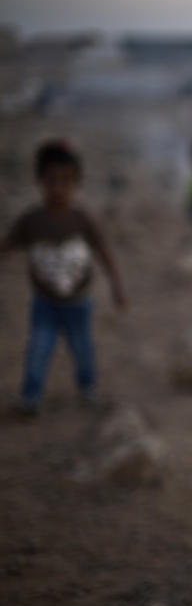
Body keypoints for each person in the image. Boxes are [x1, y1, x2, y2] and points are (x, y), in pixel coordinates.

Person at [0, 140, 126, 414]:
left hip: (79, 304)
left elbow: (104, 251)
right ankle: (31, 397)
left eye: (66, 182)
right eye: (52, 181)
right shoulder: (31, 221)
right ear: (39, 182)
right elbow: (7, 245)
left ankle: (88, 387)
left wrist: (116, 285)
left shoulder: (82, 220)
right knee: (38, 348)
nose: (58, 189)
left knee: (82, 350)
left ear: (77, 183)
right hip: (44, 303)